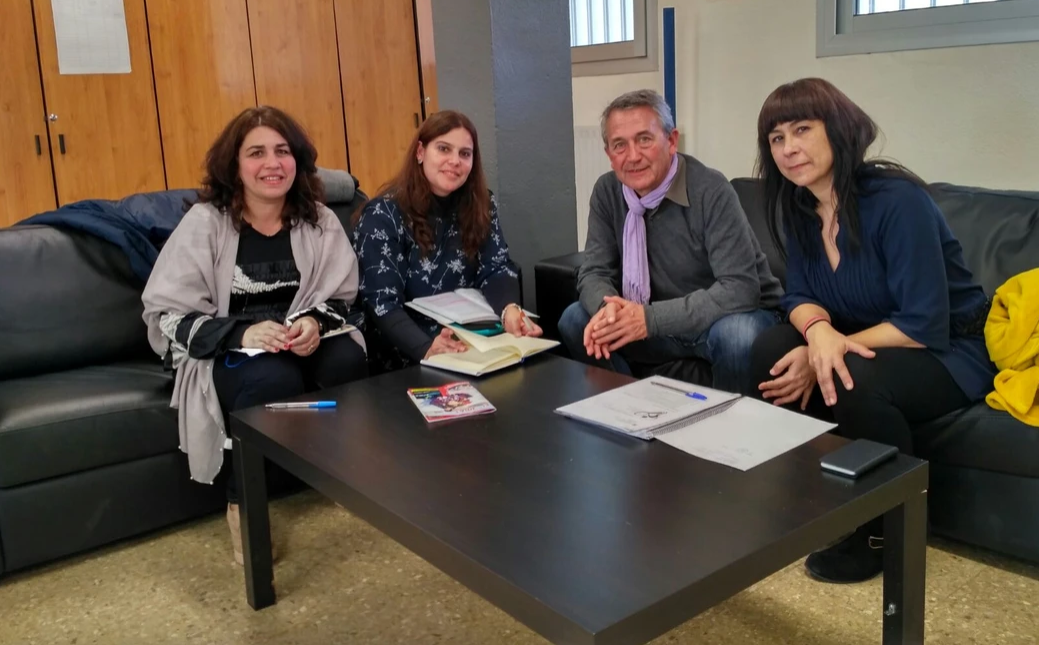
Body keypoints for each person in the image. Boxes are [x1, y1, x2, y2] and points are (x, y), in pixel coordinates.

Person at [747, 78, 995, 584]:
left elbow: (922, 323)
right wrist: (818, 333)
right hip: (865, 336)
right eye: (776, 138)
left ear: (838, 130)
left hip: (948, 347)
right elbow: (797, 296)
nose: (789, 148)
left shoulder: (898, 201)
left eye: (802, 130)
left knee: (851, 374)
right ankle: (815, 499)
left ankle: (887, 529)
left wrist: (828, 348)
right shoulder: (800, 207)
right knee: (770, 349)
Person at [142, 105, 368, 565]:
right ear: (235, 165)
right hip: (230, 348)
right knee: (272, 378)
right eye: (256, 153)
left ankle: (338, 474)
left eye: (282, 151)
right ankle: (241, 502)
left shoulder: (319, 219)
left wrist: (313, 323)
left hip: (299, 340)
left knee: (347, 358)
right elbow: (166, 316)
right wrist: (243, 334)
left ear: (297, 160)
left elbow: (343, 298)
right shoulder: (206, 223)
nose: (272, 164)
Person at [557, 89, 783, 393]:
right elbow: (594, 271)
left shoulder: (711, 190)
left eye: (644, 140)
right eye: (620, 145)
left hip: (722, 319)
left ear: (671, 141)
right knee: (576, 319)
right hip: (656, 322)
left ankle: (728, 422)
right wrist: (607, 310)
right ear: (609, 154)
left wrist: (648, 319)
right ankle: (635, 406)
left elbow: (739, 289)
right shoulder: (607, 192)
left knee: (737, 334)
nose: (633, 156)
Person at [352, 110, 539, 370]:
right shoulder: (383, 214)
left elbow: (496, 267)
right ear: (420, 152)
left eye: (465, 154)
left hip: (474, 335)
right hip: (407, 344)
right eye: (443, 149)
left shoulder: (482, 204)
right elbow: (382, 303)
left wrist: (509, 310)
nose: (455, 161)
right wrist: (427, 348)